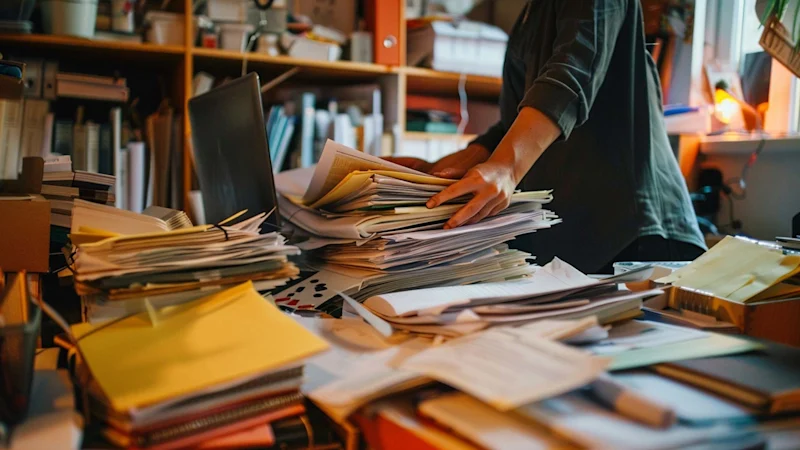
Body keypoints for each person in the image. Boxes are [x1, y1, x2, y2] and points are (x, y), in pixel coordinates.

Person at [388, 0, 706, 273]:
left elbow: (573, 71)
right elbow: (513, 124)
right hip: (578, 238)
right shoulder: (531, 13)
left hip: (633, 234)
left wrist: (507, 167)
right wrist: (433, 174)